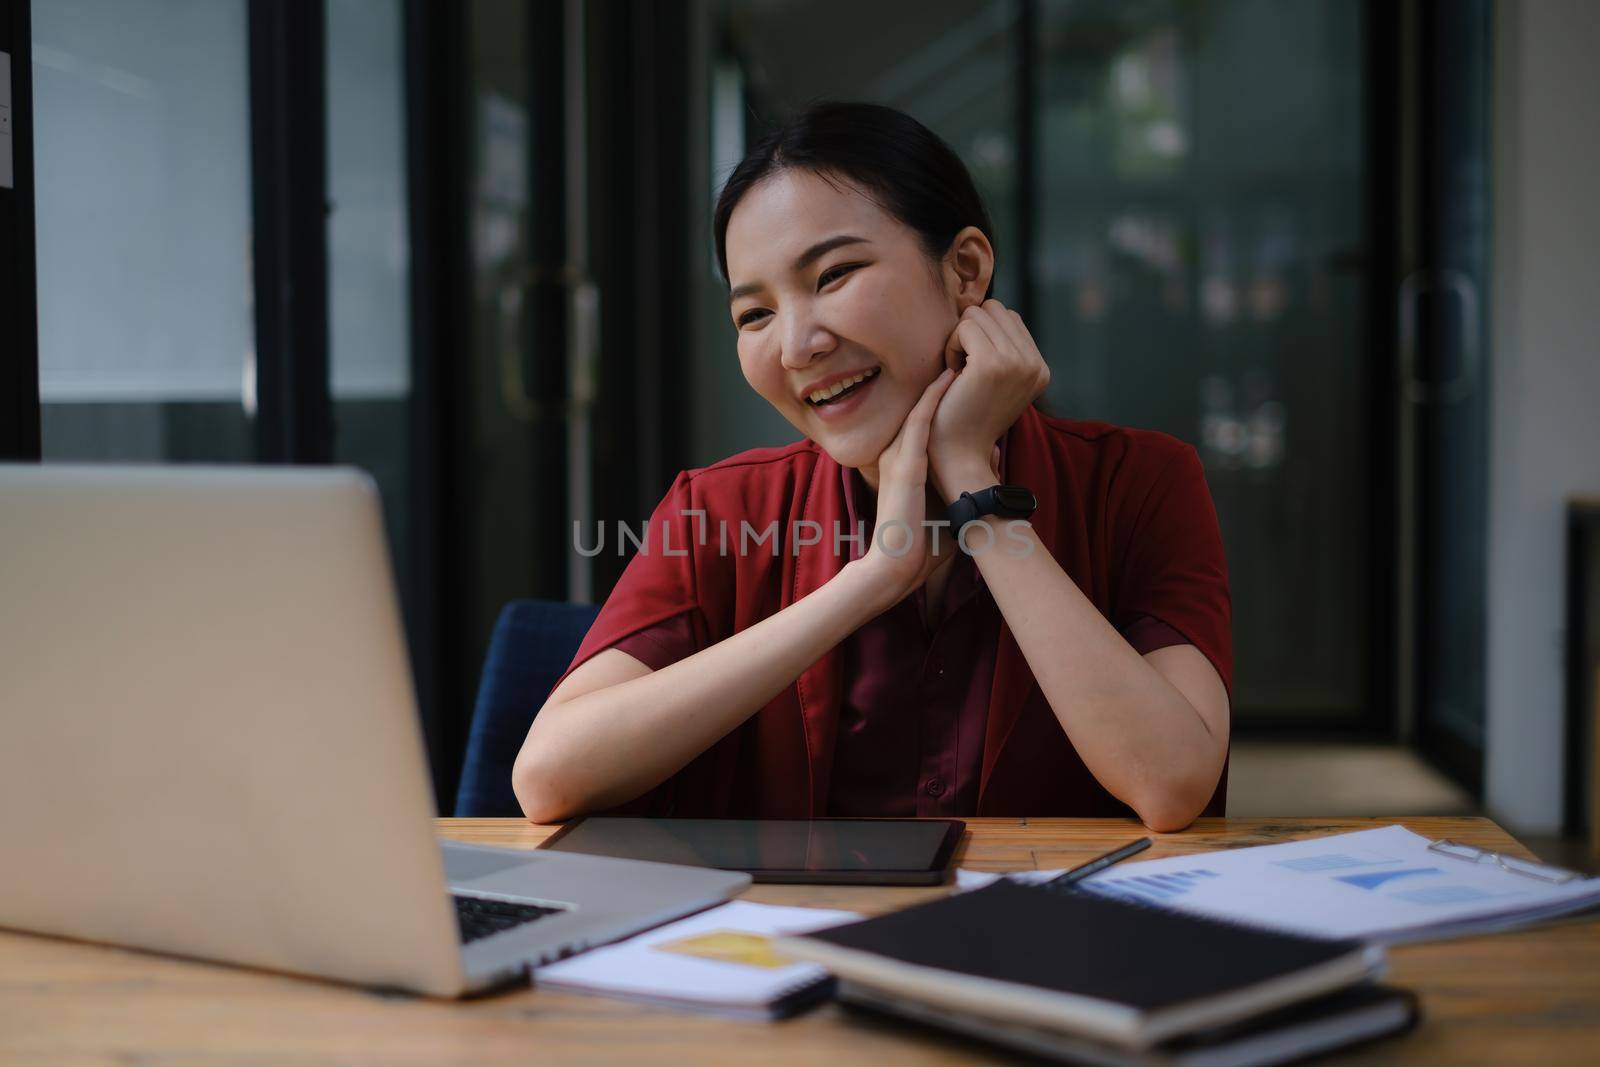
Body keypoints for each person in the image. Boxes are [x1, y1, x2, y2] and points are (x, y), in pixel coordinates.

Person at [513, 102, 1231, 832]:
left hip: (1045, 937)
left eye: (833, 275)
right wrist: (869, 580)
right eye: (753, 315)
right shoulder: (722, 508)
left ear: (966, 269)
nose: (796, 346)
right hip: (787, 943)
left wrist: (972, 488)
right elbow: (549, 775)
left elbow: (1171, 783)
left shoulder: (1140, 481)